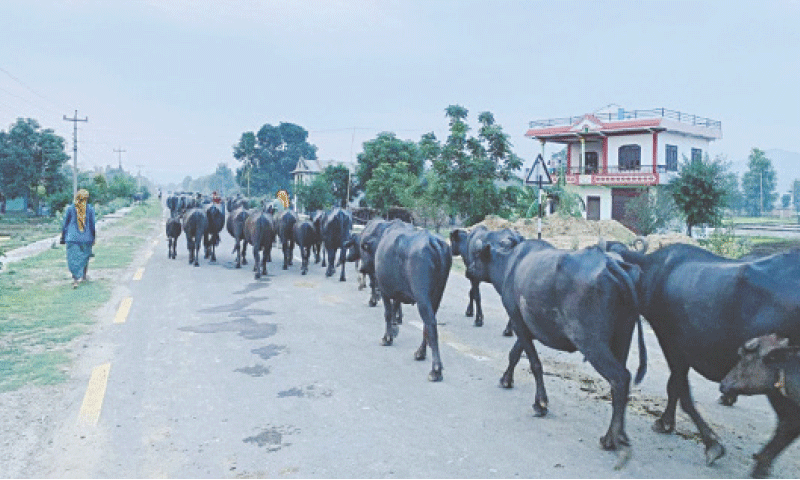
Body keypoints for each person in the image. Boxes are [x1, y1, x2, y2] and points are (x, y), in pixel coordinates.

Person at [60, 189, 96, 289]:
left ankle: (76, 279)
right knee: (85, 257)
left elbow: (65, 224)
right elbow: (92, 225)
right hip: (86, 238)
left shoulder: (71, 208)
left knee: (73, 258)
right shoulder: (89, 209)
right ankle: (84, 276)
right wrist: (93, 237)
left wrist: (63, 237)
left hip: (72, 238)